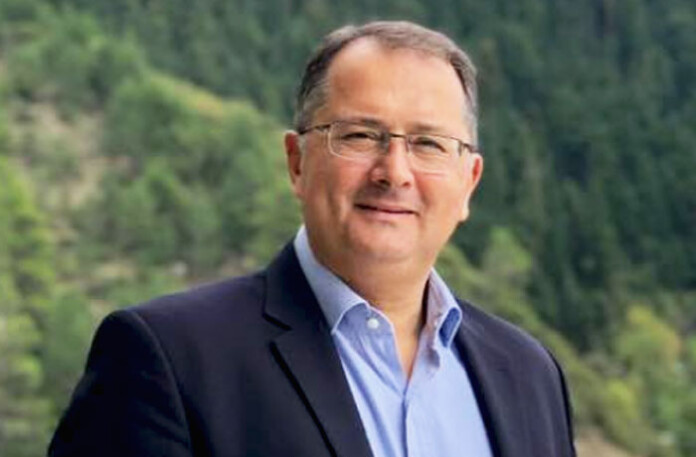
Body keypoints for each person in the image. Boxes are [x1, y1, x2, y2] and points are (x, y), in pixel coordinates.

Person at [48, 21, 576, 457]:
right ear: (297, 163)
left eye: (428, 144)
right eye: (360, 136)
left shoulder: (528, 374)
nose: (394, 172)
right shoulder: (168, 358)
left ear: (469, 182)